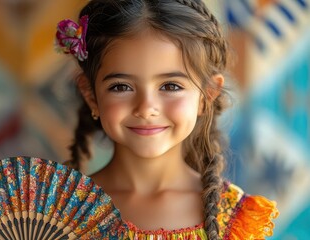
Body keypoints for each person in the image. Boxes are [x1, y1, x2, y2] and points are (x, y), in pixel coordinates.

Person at [55, 0, 279, 239]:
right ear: (91, 95)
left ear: (207, 95)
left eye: (170, 86)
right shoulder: (55, 213)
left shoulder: (236, 221)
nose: (146, 108)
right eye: (121, 87)